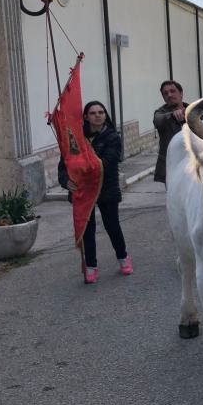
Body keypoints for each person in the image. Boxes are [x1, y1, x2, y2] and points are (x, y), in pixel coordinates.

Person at [59, 100, 132, 284]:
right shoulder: (75, 139)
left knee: (112, 226)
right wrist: (66, 181)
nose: (98, 115)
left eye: (101, 112)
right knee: (87, 230)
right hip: (82, 192)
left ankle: (123, 257)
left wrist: (82, 167)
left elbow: (109, 162)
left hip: (106, 188)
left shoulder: (113, 137)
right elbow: (64, 166)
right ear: (86, 117)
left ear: (105, 115)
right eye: (93, 113)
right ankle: (91, 265)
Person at [153, 80, 187, 184]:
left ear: (181, 93)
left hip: (192, 164)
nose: (169, 95)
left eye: (173, 91)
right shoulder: (160, 113)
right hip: (171, 166)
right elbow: (157, 121)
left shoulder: (193, 110)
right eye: (165, 93)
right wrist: (172, 115)